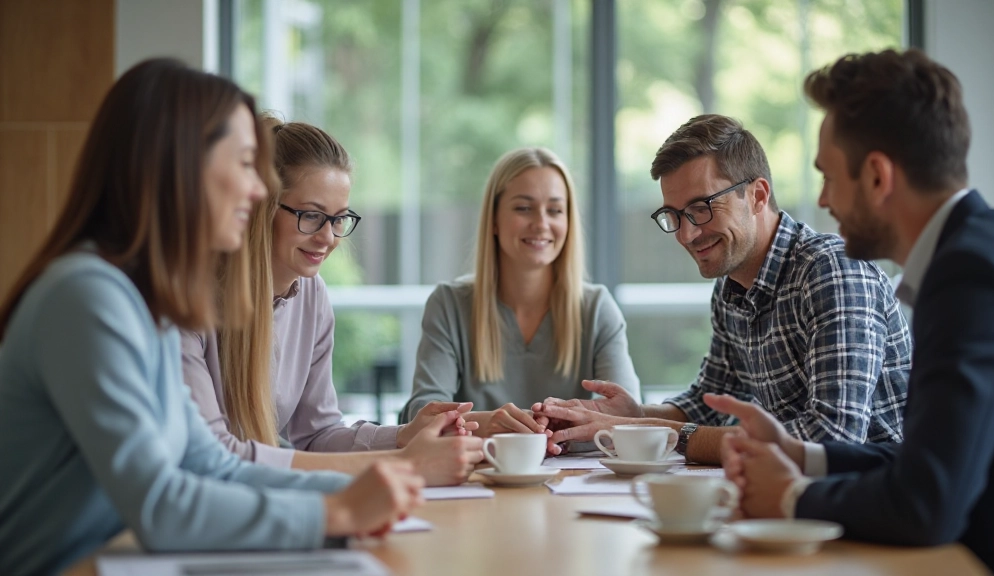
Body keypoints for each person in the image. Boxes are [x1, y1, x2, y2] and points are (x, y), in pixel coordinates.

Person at [0, 59, 422, 576]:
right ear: (180, 167)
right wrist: (336, 511)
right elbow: (160, 505)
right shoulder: (88, 296)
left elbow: (208, 465)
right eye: (245, 164)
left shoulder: (146, 299)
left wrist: (358, 490)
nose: (257, 191)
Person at [711, 49, 994, 576]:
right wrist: (799, 454)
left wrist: (790, 498)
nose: (823, 200)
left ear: (877, 177)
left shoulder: (970, 275)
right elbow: (929, 460)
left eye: (829, 177)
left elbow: (927, 504)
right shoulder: (983, 249)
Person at [535, 114, 911, 463]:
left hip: (877, 500)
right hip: (801, 495)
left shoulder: (832, 271)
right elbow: (706, 405)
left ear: (758, 196)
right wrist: (633, 415)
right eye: (674, 215)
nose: (686, 234)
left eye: (701, 207)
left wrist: (650, 431)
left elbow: (832, 439)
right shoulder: (731, 287)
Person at [181, 117, 483, 486]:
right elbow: (215, 453)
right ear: (260, 207)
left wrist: (404, 436)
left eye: (338, 219)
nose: (328, 238)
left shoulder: (311, 295)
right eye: (311, 216)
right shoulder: (187, 299)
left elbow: (316, 434)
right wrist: (403, 462)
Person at [400, 147, 641, 440]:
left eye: (555, 210)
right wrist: (489, 423)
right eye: (524, 208)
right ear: (494, 219)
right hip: (479, 467)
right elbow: (423, 415)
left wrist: (552, 432)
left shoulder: (597, 308)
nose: (541, 223)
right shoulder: (449, 305)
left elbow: (626, 415)